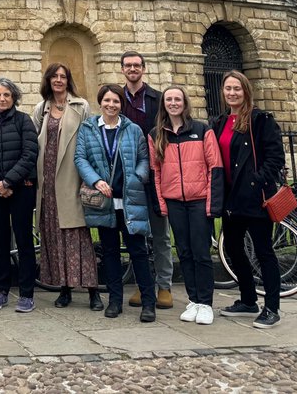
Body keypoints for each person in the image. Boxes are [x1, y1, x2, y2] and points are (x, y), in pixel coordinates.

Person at [75, 84, 156, 322]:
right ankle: (114, 300)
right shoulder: (88, 128)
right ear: (100, 102)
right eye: (107, 101)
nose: (111, 105)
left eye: (116, 101)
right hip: (104, 201)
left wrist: (137, 177)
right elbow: (80, 157)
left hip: (129, 200)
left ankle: (148, 303)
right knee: (109, 253)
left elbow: (143, 158)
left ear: (122, 104)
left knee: (138, 252)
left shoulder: (132, 129)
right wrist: (96, 180)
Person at [211, 69, 286, 329]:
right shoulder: (220, 122)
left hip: (254, 199)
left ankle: (272, 308)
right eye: (228, 89)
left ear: (246, 91)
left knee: (264, 252)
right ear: (223, 92)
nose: (232, 93)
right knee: (232, 248)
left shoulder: (260, 120)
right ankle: (248, 300)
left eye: (237, 89)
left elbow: (276, 157)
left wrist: (256, 182)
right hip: (231, 199)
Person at [148, 85, 224, 325]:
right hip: (174, 201)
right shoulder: (156, 134)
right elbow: (155, 172)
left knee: (201, 253)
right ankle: (193, 299)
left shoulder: (202, 130)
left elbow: (215, 166)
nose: (173, 103)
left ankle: (206, 302)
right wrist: (161, 204)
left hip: (199, 199)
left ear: (185, 103)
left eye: (177, 99)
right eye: (169, 99)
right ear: (164, 104)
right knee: (184, 252)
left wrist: (213, 202)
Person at [31, 64, 101, 310]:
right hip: (47, 181)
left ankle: (93, 292)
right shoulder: (42, 108)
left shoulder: (80, 106)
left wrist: (88, 177)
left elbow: (89, 142)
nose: (58, 80)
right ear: (48, 80)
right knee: (54, 236)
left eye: (63, 76)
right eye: (54, 76)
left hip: (71, 177)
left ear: (68, 80)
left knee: (78, 237)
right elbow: (34, 143)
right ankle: (64, 289)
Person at [0, 77, 39, 313]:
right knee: (0, 242)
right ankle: (1, 291)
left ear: (14, 98)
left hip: (20, 187)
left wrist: (8, 181)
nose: (2, 99)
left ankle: (26, 293)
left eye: (6, 95)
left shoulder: (23, 121)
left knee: (23, 240)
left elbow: (29, 153)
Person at [119, 51, 174, 309]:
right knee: (135, 234)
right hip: (128, 175)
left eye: (136, 65)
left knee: (160, 234)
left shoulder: (157, 98)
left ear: (144, 68)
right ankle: (144, 285)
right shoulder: (116, 98)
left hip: (156, 173)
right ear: (122, 69)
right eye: (128, 65)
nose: (132, 69)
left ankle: (164, 286)